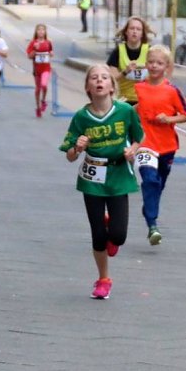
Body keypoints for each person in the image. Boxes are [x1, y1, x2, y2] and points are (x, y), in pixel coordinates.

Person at [59, 63, 144, 300]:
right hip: (93, 177)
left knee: (118, 235)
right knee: (98, 235)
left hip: (118, 175)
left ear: (111, 86)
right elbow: (69, 156)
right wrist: (77, 147)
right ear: (87, 86)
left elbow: (139, 137)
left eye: (104, 78)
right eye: (94, 78)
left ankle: (111, 227)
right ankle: (103, 279)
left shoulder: (125, 111)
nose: (99, 81)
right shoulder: (81, 117)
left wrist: (132, 150)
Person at [134, 44, 186, 246]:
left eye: (159, 63)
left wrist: (169, 119)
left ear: (167, 66)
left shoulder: (172, 91)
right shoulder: (139, 87)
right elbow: (135, 108)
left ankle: (149, 209)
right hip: (145, 144)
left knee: (159, 185)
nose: (154, 66)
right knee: (151, 181)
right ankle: (152, 225)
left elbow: (185, 116)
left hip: (167, 146)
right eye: (151, 62)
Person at [106, 15, 152, 104]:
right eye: (132, 28)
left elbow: (166, 64)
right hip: (124, 100)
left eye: (138, 29)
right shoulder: (118, 51)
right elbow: (112, 78)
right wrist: (125, 71)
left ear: (142, 33)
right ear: (126, 32)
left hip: (144, 99)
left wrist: (148, 75)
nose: (135, 31)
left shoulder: (149, 51)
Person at [26, 23, 53, 117]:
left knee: (44, 85)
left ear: (45, 32)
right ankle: (38, 107)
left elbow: (50, 52)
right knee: (38, 89)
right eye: (39, 30)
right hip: (37, 69)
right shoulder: (33, 43)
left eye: (43, 30)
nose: (41, 31)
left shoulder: (48, 42)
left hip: (46, 68)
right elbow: (29, 56)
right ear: (36, 32)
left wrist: (51, 54)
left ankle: (43, 100)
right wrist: (35, 49)